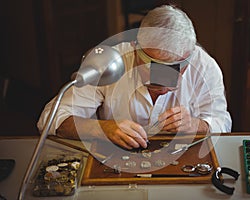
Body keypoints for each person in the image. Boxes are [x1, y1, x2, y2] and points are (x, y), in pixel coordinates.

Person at [37, 5, 232, 150]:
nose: (164, 81)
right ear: (135, 48)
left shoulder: (205, 66)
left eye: (176, 68)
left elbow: (222, 123)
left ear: (190, 57)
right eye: (153, 67)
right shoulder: (109, 62)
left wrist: (195, 125)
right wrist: (102, 129)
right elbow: (50, 119)